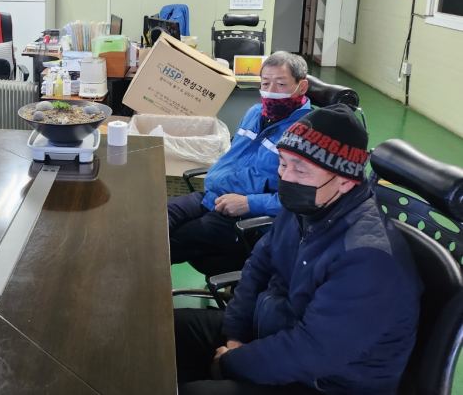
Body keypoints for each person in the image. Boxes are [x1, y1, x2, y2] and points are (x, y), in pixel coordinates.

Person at [174, 104, 422, 395]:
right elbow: (258, 266)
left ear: (345, 180)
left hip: (321, 382)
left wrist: (231, 363)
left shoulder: (368, 260)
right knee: (163, 331)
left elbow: (312, 351)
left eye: (300, 170)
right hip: (271, 334)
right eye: (282, 164)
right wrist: (234, 334)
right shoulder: (306, 207)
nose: (286, 178)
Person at [168, 52, 311, 275]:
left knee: (170, 243)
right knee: (157, 220)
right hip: (213, 196)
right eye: (265, 83)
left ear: (301, 87)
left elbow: (304, 201)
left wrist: (249, 203)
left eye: (281, 84)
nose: (270, 91)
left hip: (249, 218)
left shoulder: (306, 135)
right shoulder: (255, 113)